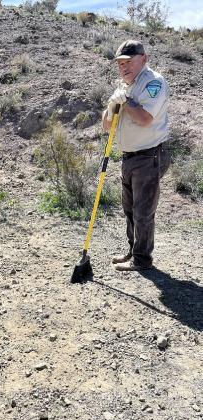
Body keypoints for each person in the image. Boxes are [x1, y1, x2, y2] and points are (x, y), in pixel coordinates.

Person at [102, 40, 171, 271]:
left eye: (129, 61)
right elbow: (106, 125)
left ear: (144, 58)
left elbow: (144, 119)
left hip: (149, 154)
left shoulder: (154, 83)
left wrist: (127, 103)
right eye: (120, 63)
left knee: (143, 211)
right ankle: (134, 251)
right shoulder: (125, 87)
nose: (124, 67)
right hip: (129, 157)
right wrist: (112, 106)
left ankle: (142, 260)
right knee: (130, 208)